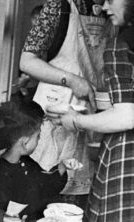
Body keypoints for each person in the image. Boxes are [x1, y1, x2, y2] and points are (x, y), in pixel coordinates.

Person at [45, 1, 134, 222]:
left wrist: (76, 122)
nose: (102, 5)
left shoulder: (122, 43)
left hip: (126, 160)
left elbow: (127, 114)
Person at [20, 0, 114, 210]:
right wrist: (72, 80)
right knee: (40, 192)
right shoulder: (58, 6)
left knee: (78, 199)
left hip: (91, 114)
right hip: (55, 108)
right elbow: (26, 62)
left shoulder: (112, 10)